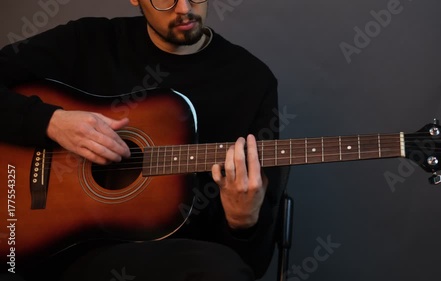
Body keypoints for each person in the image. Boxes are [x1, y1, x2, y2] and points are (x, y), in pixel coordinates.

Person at [0, 0, 283, 280]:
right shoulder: (90, 41)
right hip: (55, 252)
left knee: (220, 269)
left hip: (175, 262)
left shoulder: (252, 82)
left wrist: (242, 221)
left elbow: (250, 266)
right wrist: (50, 122)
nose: (184, 8)